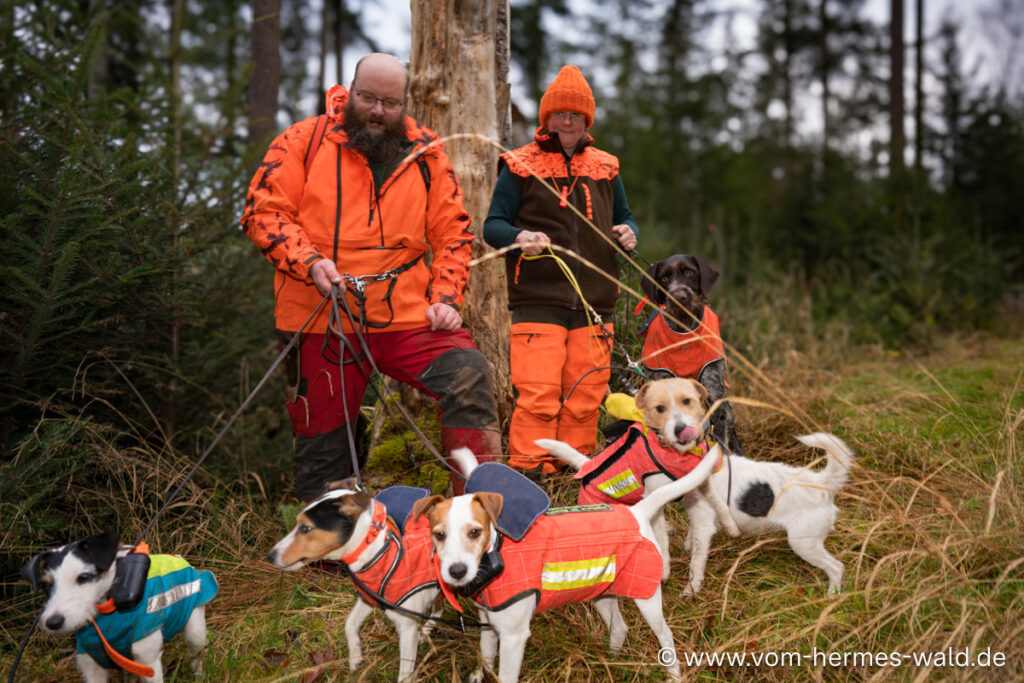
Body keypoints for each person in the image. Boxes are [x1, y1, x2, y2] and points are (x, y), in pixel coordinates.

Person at [241, 53, 501, 500]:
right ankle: (330, 549)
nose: (378, 111)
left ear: (405, 102)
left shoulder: (428, 152)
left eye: (390, 102)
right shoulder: (302, 141)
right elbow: (263, 212)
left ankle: (477, 511)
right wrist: (310, 262)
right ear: (350, 91)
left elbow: (454, 231)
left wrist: (445, 298)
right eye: (367, 98)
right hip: (319, 314)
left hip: (407, 315)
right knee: (322, 439)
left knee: (468, 373)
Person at [483, 65, 639, 475]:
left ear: (587, 120)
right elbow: (492, 226)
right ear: (546, 119)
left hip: (596, 302)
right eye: (559, 114)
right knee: (538, 394)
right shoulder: (520, 164)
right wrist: (520, 236)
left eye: (575, 114)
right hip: (537, 301)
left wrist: (628, 232)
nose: (567, 121)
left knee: (586, 395)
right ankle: (531, 474)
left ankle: (577, 476)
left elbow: (625, 217)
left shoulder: (606, 166)